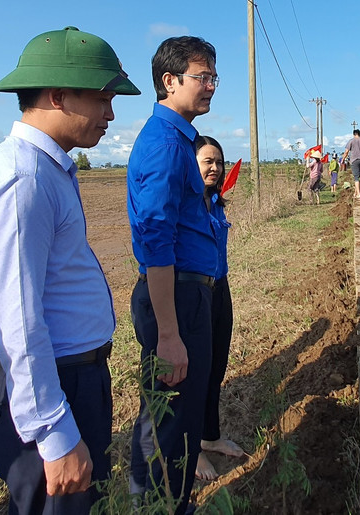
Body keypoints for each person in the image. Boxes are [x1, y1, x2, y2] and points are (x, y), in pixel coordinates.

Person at [0, 26, 141, 514]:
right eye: (103, 99)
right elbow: (16, 318)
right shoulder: (23, 179)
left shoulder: (48, 169)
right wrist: (54, 432)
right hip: (53, 385)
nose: (110, 114)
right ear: (59, 96)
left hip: (72, 378)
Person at [126, 36, 222, 512]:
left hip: (186, 294)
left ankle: (155, 498)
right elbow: (155, 238)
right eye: (202, 77)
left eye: (212, 78)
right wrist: (169, 332)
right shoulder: (166, 144)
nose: (210, 87)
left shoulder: (180, 139)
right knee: (172, 417)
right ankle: (162, 504)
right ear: (170, 81)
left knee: (169, 410)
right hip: (176, 299)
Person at [191, 136, 246, 482]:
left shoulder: (216, 202)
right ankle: (189, 449)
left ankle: (209, 435)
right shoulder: (187, 205)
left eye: (219, 161)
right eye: (207, 161)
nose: (215, 167)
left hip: (220, 289)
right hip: (195, 292)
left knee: (216, 366)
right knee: (195, 371)